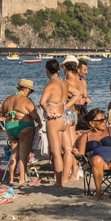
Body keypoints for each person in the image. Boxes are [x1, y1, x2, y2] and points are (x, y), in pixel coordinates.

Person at [74, 107, 111, 200]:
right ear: (91, 123)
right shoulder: (85, 136)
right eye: (100, 121)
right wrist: (76, 154)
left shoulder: (110, 130)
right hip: (96, 163)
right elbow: (81, 156)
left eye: (105, 119)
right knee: (97, 159)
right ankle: (98, 192)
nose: (104, 122)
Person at [0, 78, 40, 186]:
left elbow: (2, 114)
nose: (30, 93)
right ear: (26, 89)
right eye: (30, 91)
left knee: (14, 155)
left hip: (10, 127)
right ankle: (22, 179)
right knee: (23, 155)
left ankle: (12, 179)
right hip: (24, 127)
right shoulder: (27, 101)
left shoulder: (7, 99)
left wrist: (11, 114)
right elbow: (35, 116)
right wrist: (40, 125)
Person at [40, 59, 69, 188]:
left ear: (47, 71)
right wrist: (67, 106)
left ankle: (59, 182)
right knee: (65, 150)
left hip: (55, 118)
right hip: (64, 117)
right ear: (58, 70)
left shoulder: (50, 85)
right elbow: (77, 93)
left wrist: (48, 111)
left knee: (56, 152)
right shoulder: (65, 83)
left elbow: (42, 102)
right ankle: (63, 178)